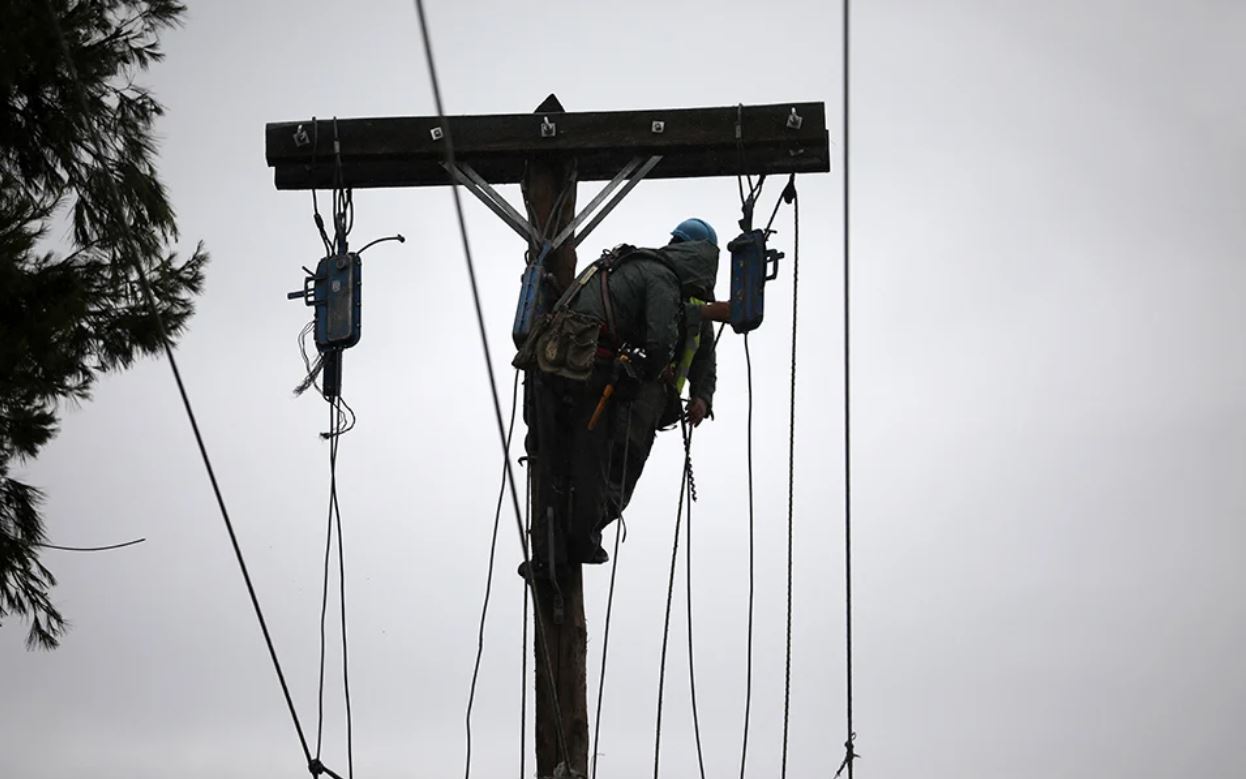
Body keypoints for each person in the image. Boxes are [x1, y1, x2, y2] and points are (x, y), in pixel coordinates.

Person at [521, 218, 727, 570]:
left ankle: (555, 549)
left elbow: (703, 357)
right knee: (599, 465)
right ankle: (575, 541)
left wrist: (702, 396)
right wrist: (645, 373)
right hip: (606, 380)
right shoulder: (661, 277)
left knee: (560, 461)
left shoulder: (634, 268)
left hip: (560, 364)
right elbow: (660, 342)